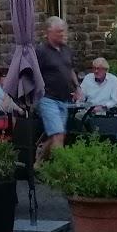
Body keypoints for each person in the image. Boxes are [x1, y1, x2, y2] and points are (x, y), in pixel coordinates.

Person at [36, 16, 79, 162]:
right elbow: (34, 73)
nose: (63, 34)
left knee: (57, 134)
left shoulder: (66, 50)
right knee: (58, 134)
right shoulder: (41, 51)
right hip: (47, 98)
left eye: (64, 31)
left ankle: (39, 163)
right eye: (59, 31)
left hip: (64, 99)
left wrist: (77, 87)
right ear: (49, 32)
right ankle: (61, 170)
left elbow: (70, 69)